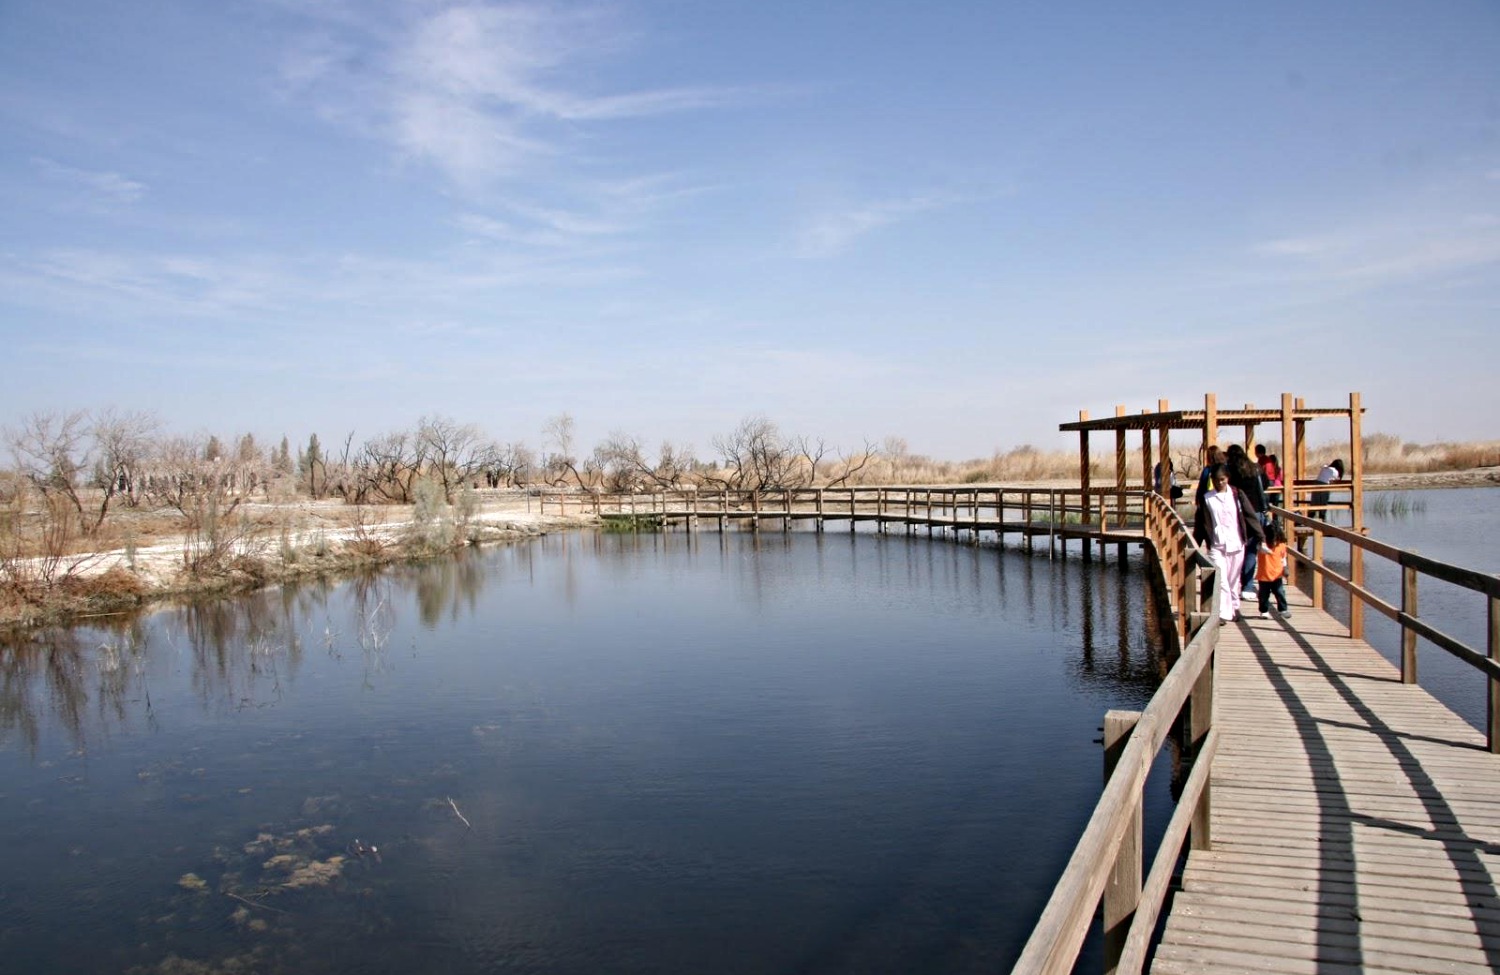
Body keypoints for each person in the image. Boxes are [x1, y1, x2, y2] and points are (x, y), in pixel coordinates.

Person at [1193, 464, 1265, 623]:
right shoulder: (1207, 499)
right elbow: (1200, 524)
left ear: (1227, 478)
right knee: (1221, 580)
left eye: (1222, 480)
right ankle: (1222, 614)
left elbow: (1250, 516)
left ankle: (1234, 608)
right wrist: (1194, 544)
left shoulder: (1237, 495)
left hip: (1236, 543)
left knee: (1233, 580)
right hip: (1216, 545)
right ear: (1212, 480)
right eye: (1216, 480)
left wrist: (1261, 537)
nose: (1219, 483)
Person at [1225, 445, 1268, 599]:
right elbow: (1266, 485)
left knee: (1238, 547)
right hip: (1255, 512)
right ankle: (1248, 586)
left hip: (1237, 512)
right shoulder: (1255, 468)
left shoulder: (1230, 471)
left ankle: (1234, 583)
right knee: (1251, 550)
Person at [1256, 520, 1291, 619]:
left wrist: (1285, 568)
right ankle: (1264, 611)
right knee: (1263, 595)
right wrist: (1262, 544)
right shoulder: (1262, 546)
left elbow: (1283, 559)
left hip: (1277, 575)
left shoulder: (1282, 546)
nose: (1274, 542)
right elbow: (1258, 548)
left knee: (1280, 593)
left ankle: (1283, 609)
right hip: (1264, 576)